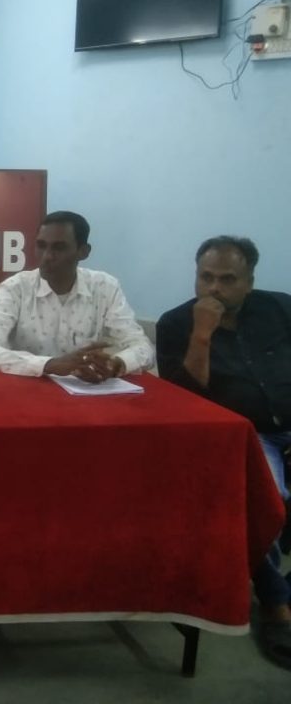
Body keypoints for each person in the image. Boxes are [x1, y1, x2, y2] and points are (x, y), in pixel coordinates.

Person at [156, 236, 291, 669]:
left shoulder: (281, 308)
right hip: (242, 436)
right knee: (267, 498)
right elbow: (183, 400)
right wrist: (202, 334)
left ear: (249, 281)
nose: (214, 288)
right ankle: (276, 603)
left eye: (227, 279)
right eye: (206, 277)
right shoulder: (176, 322)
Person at [0, 210, 154, 380]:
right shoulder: (15, 289)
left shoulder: (105, 288)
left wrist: (115, 364)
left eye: (59, 248)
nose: (47, 256)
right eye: (41, 246)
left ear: (83, 252)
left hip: (86, 394)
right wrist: (49, 365)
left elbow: (143, 347)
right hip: (27, 390)